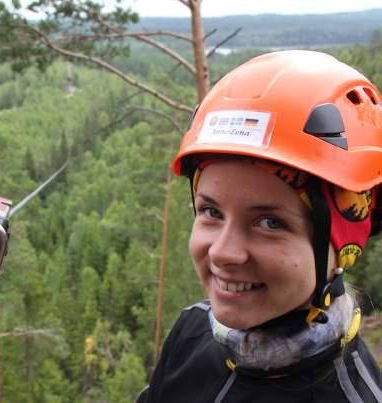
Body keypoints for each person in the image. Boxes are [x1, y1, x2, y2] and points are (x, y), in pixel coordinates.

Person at [136, 50, 382, 403]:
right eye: (211, 212)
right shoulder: (191, 331)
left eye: (270, 222)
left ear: (342, 244)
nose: (222, 252)